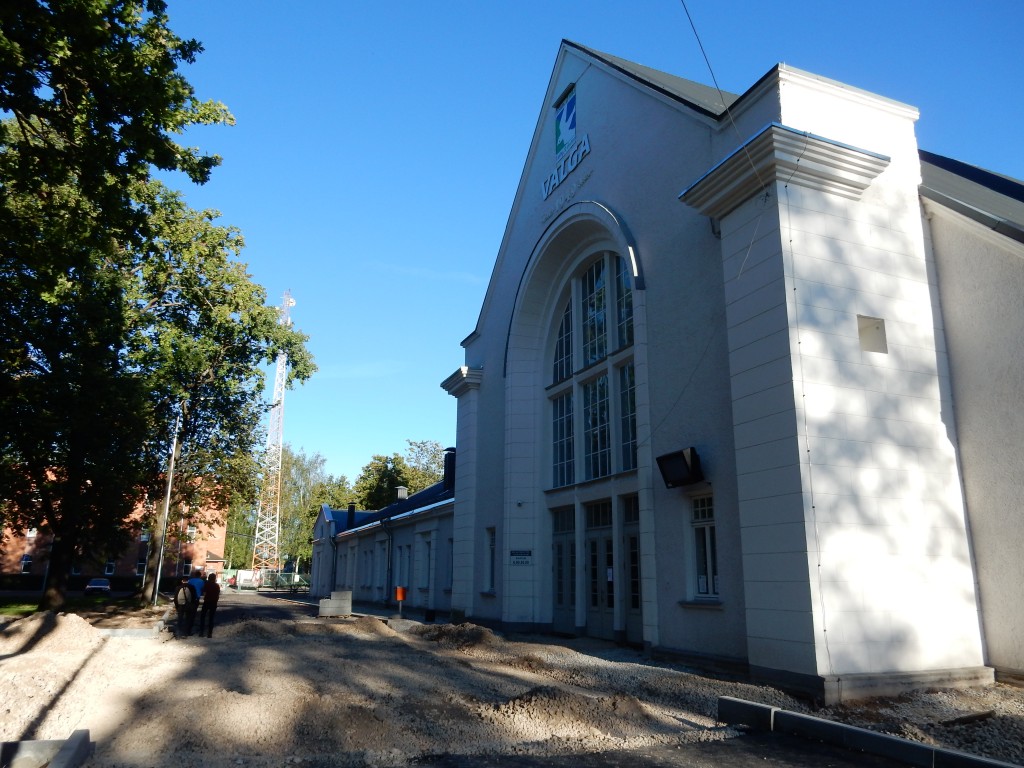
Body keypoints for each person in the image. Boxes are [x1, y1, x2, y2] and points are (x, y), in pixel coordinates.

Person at [198, 572, 221, 638]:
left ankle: (201, 633)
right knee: (211, 618)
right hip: (214, 602)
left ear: (208, 578)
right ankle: (209, 633)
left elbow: (204, 593)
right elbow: (218, 594)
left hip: (207, 602)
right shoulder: (217, 585)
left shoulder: (206, 585)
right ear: (214, 578)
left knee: (203, 617)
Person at [186, 569, 205, 636]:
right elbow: (203, 589)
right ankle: (189, 630)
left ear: (194, 575)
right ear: (200, 576)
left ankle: (185, 628)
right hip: (196, 598)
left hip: (189, 598)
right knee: (193, 614)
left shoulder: (190, 581)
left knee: (187, 613)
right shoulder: (201, 581)